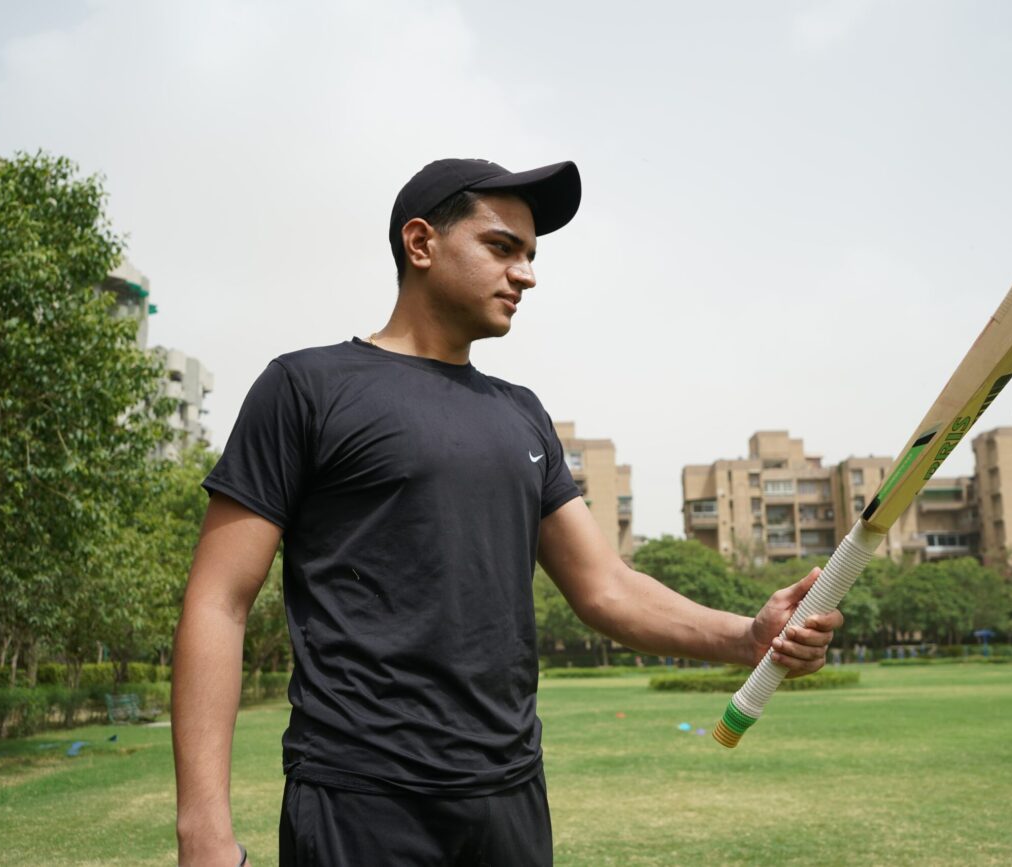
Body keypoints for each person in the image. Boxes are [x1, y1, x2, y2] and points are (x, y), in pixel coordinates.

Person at [171, 158, 844, 866]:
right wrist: (203, 834)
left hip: (510, 797)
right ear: (421, 243)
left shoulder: (522, 417)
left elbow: (605, 586)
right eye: (501, 247)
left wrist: (750, 635)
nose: (525, 274)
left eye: (530, 255)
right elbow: (219, 601)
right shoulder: (305, 388)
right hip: (361, 797)